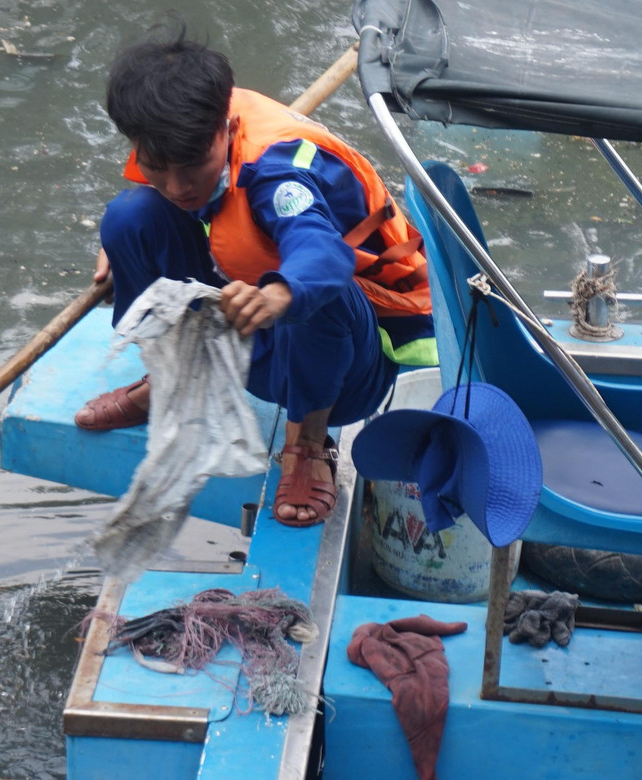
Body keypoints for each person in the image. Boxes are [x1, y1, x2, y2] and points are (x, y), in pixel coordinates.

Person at [75, 27, 436, 526]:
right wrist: (126, 244)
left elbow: (320, 252)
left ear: (226, 127)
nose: (178, 187)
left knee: (320, 295)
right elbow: (172, 196)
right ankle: (174, 377)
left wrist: (281, 293)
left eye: (193, 167)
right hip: (256, 331)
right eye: (158, 167)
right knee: (129, 218)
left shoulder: (279, 172)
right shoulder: (175, 129)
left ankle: (308, 443)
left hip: (352, 361)